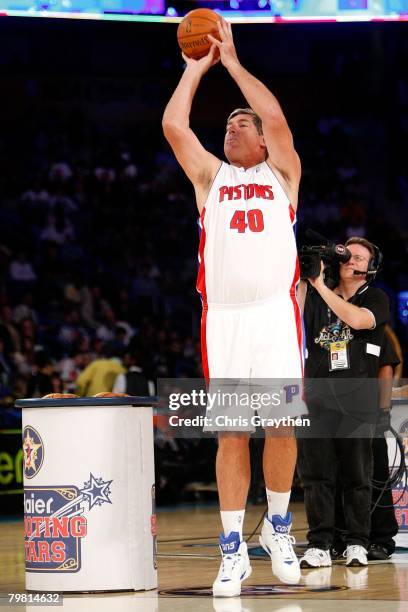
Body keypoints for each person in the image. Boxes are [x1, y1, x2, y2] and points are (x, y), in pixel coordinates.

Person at [163, 17, 303, 596]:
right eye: (227, 122)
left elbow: (275, 117)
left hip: (274, 313)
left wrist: (234, 62)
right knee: (229, 435)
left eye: (241, 121)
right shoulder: (210, 178)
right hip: (223, 318)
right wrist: (197, 68)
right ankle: (230, 551)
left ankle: (276, 526)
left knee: (280, 426)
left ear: (265, 141)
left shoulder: (283, 173)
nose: (233, 123)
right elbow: (174, 124)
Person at [297, 236, 390, 569]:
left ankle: (356, 543)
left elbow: (358, 320)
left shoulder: (377, 298)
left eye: (361, 258)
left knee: (356, 476)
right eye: (349, 256)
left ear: (371, 268)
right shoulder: (318, 293)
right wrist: (309, 276)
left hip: (357, 399)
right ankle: (320, 543)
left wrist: (322, 287)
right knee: (316, 475)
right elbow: (295, 305)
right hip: (316, 396)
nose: (353, 260)